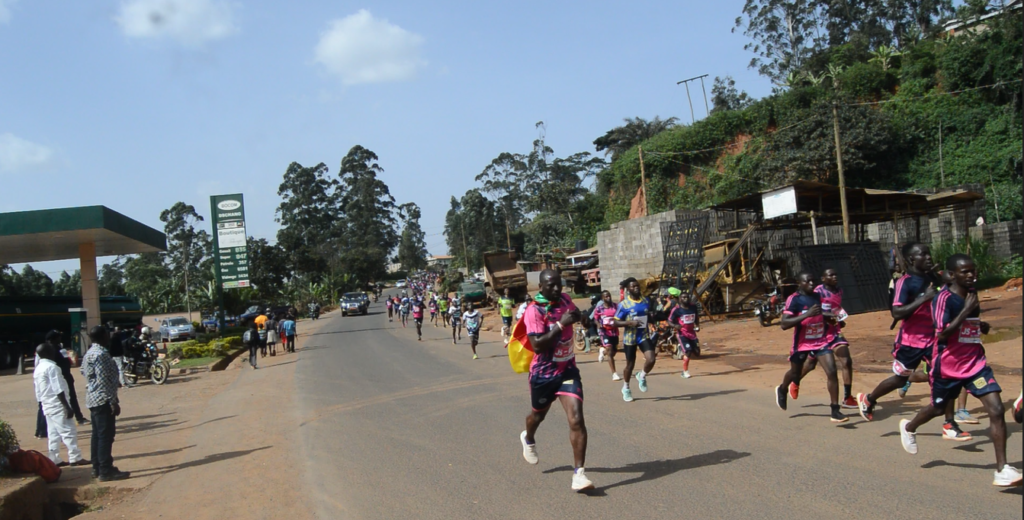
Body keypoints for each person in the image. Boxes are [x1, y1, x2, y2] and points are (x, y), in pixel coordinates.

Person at [898, 254, 1023, 487]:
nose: (971, 275)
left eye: (973, 270)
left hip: (975, 364)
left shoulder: (972, 295)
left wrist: (978, 325)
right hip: (947, 367)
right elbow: (942, 333)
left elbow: (967, 325)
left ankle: (1002, 469)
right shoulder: (943, 299)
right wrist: (966, 312)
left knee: (996, 409)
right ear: (952, 275)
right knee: (936, 409)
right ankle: (909, 427)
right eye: (965, 272)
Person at [857, 244, 963, 438]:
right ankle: (869, 399)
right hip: (910, 341)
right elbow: (897, 312)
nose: (929, 257)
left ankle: (949, 423)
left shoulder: (932, 277)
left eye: (928, 252)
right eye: (923, 254)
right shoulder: (904, 282)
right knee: (900, 379)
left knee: (947, 376)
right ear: (912, 260)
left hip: (935, 339)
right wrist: (923, 298)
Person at [518, 270, 592, 492]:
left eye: (559, 285)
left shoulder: (566, 300)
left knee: (576, 419)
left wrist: (584, 319)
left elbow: (575, 316)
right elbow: (538, 345)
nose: (557, 290)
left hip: (567, 370)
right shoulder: (534, 311)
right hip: (543, 374)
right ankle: (528, 437)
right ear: (540, 287)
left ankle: (579, 474)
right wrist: (560, 325)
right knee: (537, 416)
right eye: (551, 286)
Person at [773, 272, 848, 423]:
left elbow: (820, 314)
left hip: (820, 341)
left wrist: (832, 321)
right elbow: (784, 324)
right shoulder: (794, 299)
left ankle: (835, 410)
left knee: (832, 371)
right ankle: (782, 388)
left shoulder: (816, 296)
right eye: (808, 281)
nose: (812, 284)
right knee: (796, 374)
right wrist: (807, 314)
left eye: (813, 281)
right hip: (801, 344)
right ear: (800, 283)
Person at [792, 268, 857, 408]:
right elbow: (813, 308)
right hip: (819, 333)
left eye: (836, 274)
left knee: (846, 361)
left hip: (834, 331)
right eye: (831, 275)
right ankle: (794, 381)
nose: (835, 277)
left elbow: (836, 307)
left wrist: (840, 318)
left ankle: (847, 397)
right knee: (810, 365)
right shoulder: (817, 292)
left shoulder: (839, 291)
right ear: (823, 278)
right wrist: (825, 317)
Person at [81, 325, 129, 481]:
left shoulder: (89, 353)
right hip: (103, 400)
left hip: (93, 398)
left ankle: (97, 467)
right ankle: (105, 470)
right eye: (107, 335)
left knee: (97, 435)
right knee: (105, 436)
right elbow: (102, 381)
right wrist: (113, 401)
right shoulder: (101, 354)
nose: (109, 337)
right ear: (102, 336)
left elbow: (84, 372)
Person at [34, 342, 88, 467]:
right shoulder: (52, 367)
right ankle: (75, 457)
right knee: (68, 431)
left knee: (53, 434)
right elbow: (58, 388)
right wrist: (66, 406)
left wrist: (42, 403)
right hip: (57, 404)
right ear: (48, 353)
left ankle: (54, 459)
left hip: (47, 404)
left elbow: (37, 390)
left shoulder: (38, 368)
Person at [611, 278, 658, 403]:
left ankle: (641, 375)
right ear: (628, 289)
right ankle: (626, 387)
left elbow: (647, 314)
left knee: (651, 359)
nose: (636, 288)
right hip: (630, 337)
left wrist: (652, 323)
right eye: (633, 286)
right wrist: (629, 322)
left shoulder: (645, 300)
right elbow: (615, 322)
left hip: (643, 335)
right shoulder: (624, 304)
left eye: (637, 286)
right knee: (630, 365)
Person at [46, 331, 88, 425]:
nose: (60, 339)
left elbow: (67, 362)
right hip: (62, 377)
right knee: (69, 398)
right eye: (58, 337)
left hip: (66, 376)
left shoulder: (60, 349)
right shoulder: (52, 351)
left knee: (71, 397)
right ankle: (78, 418)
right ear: (53, 339)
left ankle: (78, 416)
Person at [667, 288, 699, 379]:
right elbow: (669, 321)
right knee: (688, 352)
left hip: (692, 333)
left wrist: (697, 325)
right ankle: (685, 371)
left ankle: (687, 354)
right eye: (683, 297)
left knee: (696, 352)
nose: (686, 299)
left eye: (687, 297)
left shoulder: (693, 307)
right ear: (680, 299)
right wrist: (675, 326)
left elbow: (696, 317)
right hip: (682, 334)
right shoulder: (676, 310)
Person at [593, 290, 621, 381]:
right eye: (606, 296)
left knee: (614, 351)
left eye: (609, 296)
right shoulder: (599, 309)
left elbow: (620, 316)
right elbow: (595, 319)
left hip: (614, 332)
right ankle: (614, 373)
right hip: (604, 332)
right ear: (602, 298)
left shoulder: (616, 306)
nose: (608, 297)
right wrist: (598, 324)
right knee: (610, 351)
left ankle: (602, 351)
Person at [107, 324, 129, 388]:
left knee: (116, 370)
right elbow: (112, 348)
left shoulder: (115, 337)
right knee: (121, 369)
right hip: (117, 355)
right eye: (118, 330)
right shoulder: (115, 338)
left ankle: (118, 383)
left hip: (116, 355)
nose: (119, 331)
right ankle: (123, 383)